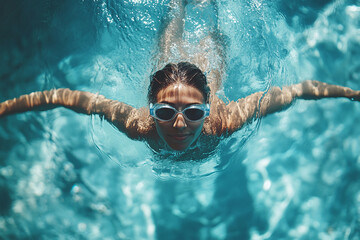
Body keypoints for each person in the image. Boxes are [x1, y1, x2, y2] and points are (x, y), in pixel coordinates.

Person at [0, 0, 359, 155]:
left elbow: (295, 92)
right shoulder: (137, 124)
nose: (179, 124)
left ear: (207, 109)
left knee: (214, 38)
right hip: (173, 71)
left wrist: (347, 92)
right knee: (171, 32)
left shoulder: (224, 122)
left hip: (206, 73)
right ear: (150, 107)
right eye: (165, 112)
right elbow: (66, 97)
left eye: (194, 113)